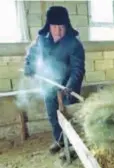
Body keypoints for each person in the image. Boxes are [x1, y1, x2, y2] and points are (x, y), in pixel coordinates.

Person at [24, 6, 85, 154]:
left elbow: (78, 69)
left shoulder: (74, 44)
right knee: (53, 115)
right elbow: (32, 56)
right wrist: (29, 67)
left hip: (67, 89)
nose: (58, 31)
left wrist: (70, 86)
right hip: (48, 86)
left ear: (67, 26)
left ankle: (71, 146)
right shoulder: (41, 40)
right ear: (49, 26)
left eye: (61, 27)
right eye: (55, 27)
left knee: (68, 117)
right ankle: (59, 140)